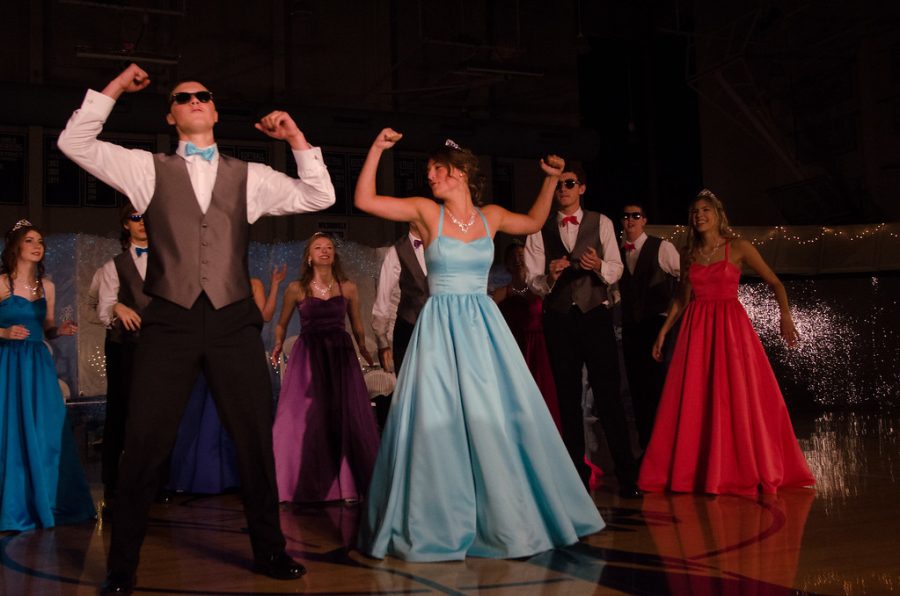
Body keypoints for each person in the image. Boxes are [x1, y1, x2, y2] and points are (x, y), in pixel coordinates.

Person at [57, 63, 335, 591]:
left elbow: (319, 196)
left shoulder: (249, 176)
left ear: (215, 108)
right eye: (184, 97)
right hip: (170, 321)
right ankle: (122, 567)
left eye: (204, 94)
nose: (196, 100)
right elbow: (76, 140)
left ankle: (270, 552)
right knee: (143, 444)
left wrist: (296, 137)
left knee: (254, 440)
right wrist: (115, 87)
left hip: (233, 321)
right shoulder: (146, 169)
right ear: (171, 114)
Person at [355, 130, 604, 562]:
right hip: (440, 326)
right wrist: (376, 149)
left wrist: (549, 181)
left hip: (482, 326)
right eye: (429, 170)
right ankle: (441, 518)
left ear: (462, 174)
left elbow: (530, 222)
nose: (429, 176)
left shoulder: (491, 216)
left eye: (437, 169)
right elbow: (364, 201)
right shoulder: (424, 213)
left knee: (496, 417)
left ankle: (506, 515)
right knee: (440, 421)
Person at [638, 189, 815, 495]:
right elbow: (682, 298)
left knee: (734, 396)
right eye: (695, 211)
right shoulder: (688, 253)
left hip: (731, 329)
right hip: (696, 330)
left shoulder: (739, 248)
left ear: (718, 215)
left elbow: (775, 282)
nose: (699, 216)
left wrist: (785, 316)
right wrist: (664, 331)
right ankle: (698, 470)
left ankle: (738, 467)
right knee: (697, 398)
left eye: (705, 210)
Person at [524, 167, 640, 497]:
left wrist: (598, 266)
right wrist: (549, 277)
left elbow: (615, 269)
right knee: (567, 398)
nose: (563, 189)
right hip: (559, 318)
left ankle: (627, 477)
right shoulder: (539, 226)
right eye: (559, 184)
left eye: (570, 183)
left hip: (594, 316)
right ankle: (575, 478)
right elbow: (534, 281)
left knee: (609, 397)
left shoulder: (600, 222)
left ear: (582, 188)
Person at [0, 220, 96, 532]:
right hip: (8, 362)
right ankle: (14, 507)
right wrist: (4, 331)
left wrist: (59, 331)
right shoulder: (2, 283)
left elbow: (47, 326)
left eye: (40, 240)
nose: (37, 245)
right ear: (16, 246)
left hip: (38, 364)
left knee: (47, 430)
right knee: (10, 431)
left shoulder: (48, 286)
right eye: (29, 240)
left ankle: (49, 502)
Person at [271, 233, 380, 503]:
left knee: (343, 415)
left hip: (340, 356)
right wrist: (277, 343)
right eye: (318, 248)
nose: (325, 251)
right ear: (309, 256)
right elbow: (282, 323)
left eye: (329, 248)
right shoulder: (297, 288)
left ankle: (347, 484)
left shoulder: (348, 287)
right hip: (309, 355)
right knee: (307, 416)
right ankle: (300, 483)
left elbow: (356, 325)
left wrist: (365, 350)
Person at [168, 265, 287, 495]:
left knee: (242, 415)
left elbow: (265, 316)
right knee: (208, 415)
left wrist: (275, 286)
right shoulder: (205, 282)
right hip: (213, 352)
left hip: (243, 352)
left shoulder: (254, 284)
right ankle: (208, 475)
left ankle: (240, 476)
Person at [95, 205, 151, 516]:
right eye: (135, 218)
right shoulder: (113, 266)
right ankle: (112, 482)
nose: (142, 223)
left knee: (156, 414)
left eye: (146, 217)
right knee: (120, 412)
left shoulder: (170, 260)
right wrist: (117, 307)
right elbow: (103, 310)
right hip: (125, 346)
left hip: (159, 346)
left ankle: (156, 482)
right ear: (125, 225)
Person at [617, 203, 680, 450]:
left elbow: (685, 277)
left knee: (658, 388)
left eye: (635, 215)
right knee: (637, 390)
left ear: (644, 220)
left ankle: (665, 448)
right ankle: (647, 448)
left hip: (657, 325)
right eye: (626, 216)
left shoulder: (661, 247)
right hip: (632, 326)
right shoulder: (619, 253)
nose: (630, 220)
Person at [493, 242, 562, 430]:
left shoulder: (540, 289)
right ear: (507, 263)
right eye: (513, 257)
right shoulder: (501, 293)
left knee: (542, 390)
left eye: (522, 256)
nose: (518, 260)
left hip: (539, 347)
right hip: (514, 347)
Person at [371, 221, 427, 375]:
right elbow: (383, 298)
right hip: (409, 327)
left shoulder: (442, 246)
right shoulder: (397, 251)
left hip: (440, 328)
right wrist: (382, 342)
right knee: (408, 387)